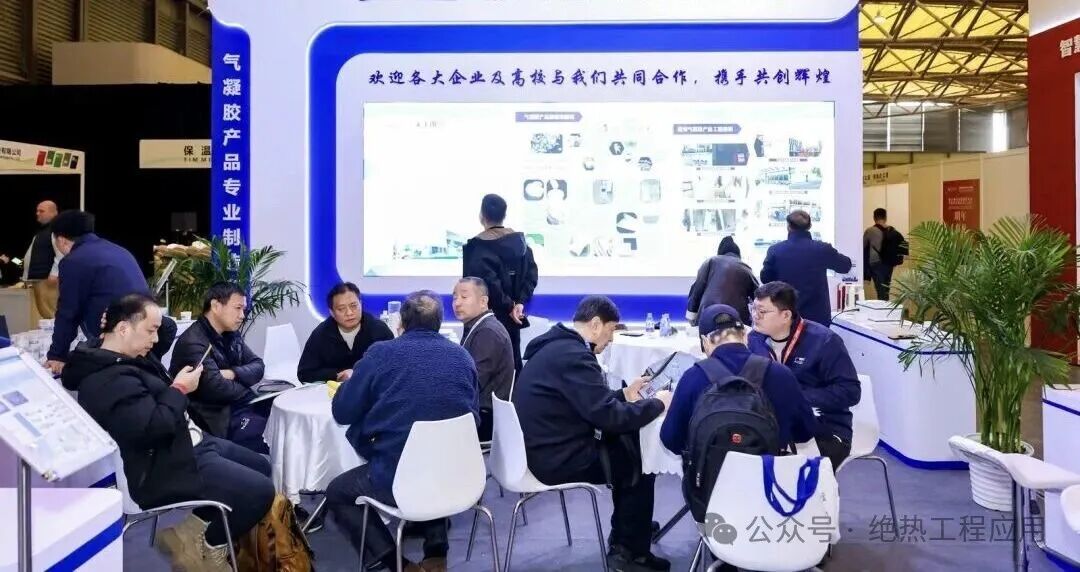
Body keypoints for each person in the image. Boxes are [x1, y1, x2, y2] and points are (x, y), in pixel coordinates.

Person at [61, 294, 273, 571]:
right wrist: (180, 389)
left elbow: (168, 327)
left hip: (188, 441)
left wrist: (124, 311)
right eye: (150, 330)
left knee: (261, 466)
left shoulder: (128, 353)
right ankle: (210, 544)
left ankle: (191, 530)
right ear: (123, 329)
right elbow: (153, 429)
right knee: (260, 492)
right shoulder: (106, 380)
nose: (156, 338)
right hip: (165, 464)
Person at [514, 295, 673, 572]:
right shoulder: (574, 356)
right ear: (596, 324)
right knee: (639, 461)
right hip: (555, 458)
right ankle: (629, 553)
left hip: (543, 446)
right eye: (611, 331)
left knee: (626, 447)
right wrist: (658, 404)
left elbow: (588, 403)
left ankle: (629, 531)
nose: (610, 340)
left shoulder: (557, 348)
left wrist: (625, 394)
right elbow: (610, 417)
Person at [326, 290, 478, 572]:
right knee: (433, 455)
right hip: (458, 474)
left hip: (398, 477)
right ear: (439, 322)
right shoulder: (463, 357)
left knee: (338, 492)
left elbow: (343, 411)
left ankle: (397, 564)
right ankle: (436, 553)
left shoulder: (381, 354)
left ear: (402, 323)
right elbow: (474, 417)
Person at [660, 303, 820, 457]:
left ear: (705, 341)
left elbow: (671, 440)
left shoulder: (693, 377)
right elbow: (805, 432)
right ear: (744, 335)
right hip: (766, 473)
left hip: (709, 474)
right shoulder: (781, 374)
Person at [746, 282, 860, 470]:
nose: (755, 316)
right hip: (773, 425)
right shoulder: (755, 339)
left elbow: (850, 392)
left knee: (784, 471)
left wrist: (796, 398)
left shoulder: (824, 341)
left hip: (824, 428)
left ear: (785, 315)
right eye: (753, 308)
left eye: (762, 311)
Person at [45, 210, 151, 374]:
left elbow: (68, 312)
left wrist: (57, 355)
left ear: (61, 240)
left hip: (117, 344)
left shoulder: (74, 261)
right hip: (146, 332)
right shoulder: (119, 250)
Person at [170, 282, 265, 441]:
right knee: (273, 432)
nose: (242, 315)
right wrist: (246, 381)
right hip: (216, 420)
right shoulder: (193, 342)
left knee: (278, 421)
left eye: (243, 309)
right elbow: (217, 388)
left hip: (238, 407)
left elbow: (259, 366)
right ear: (216, 306)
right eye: (237, 308)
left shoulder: (231, 334)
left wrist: (233, 373)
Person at [462, 193, 539, 373]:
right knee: (512, 368)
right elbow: (531, 277)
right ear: (504, 215)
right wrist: (518, 303)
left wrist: (510, 305)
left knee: (481, 370)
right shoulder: (522, 246)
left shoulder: (477, 248)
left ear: (481, 215)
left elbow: (487, 284)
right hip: (513, 319)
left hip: (485, 321)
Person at [760, 210, 852, 326]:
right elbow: (845, 266)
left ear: (788, 227)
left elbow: (765, 278)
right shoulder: (822, 249)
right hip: (817, 318)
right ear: (810, 226)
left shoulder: (775, 250)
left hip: (785, 315)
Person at [453, 276, 515, 441]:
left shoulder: (488, 332)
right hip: (476, 411)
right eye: (455, 297)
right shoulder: (478, 326)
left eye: (464, 297)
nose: (457, 303)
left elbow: (473, 382)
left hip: (484, 418)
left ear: (483, 301)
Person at [297, 282, 394, 384]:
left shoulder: (379, 330)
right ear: (332, 312)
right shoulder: (320, 335)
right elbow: (304, 373)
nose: (349, 313)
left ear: (361, 304)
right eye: (341, 309)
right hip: (333, 390)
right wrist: (336, 375)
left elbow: (394, 364)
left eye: (353, 306)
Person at [686, 236, 759, 325]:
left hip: (709, 314)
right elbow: (758, 295)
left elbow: (697, 289)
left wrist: (691, 314)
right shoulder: (745, 268)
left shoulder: (710, 261)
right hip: (737, 318)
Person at [14, 201, 62, 318]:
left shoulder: (56, 230)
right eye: (37, 211)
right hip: (41, 279)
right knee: (46, 313)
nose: (37, 213)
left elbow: (61, 253)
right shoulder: (44, 232)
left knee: (52, 313)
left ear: (53, 213)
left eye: (41, 211)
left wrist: (54, 273)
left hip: (48, 280)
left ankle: (58, 330)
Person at [864, 208, 899, 300]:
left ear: (874, 218)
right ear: (885, 218)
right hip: (889, 264)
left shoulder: (870, 231)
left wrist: (866, 274)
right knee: (886, 289)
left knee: (881, 291)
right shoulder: (892, 230)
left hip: (876, 263)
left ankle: (883, 307)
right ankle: (885, 306)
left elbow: (863, 248)